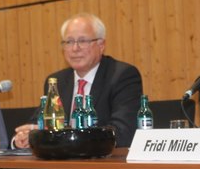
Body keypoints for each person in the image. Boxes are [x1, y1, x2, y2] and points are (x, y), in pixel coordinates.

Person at [12, 12, 143, 149]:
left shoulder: (122, 75)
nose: (75, 48)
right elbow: (38, 123)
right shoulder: (57, 81)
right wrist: (24, 137)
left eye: (82, 41)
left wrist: (65, 137)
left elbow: (123, 132)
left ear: (101, 45)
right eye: (69, 42)